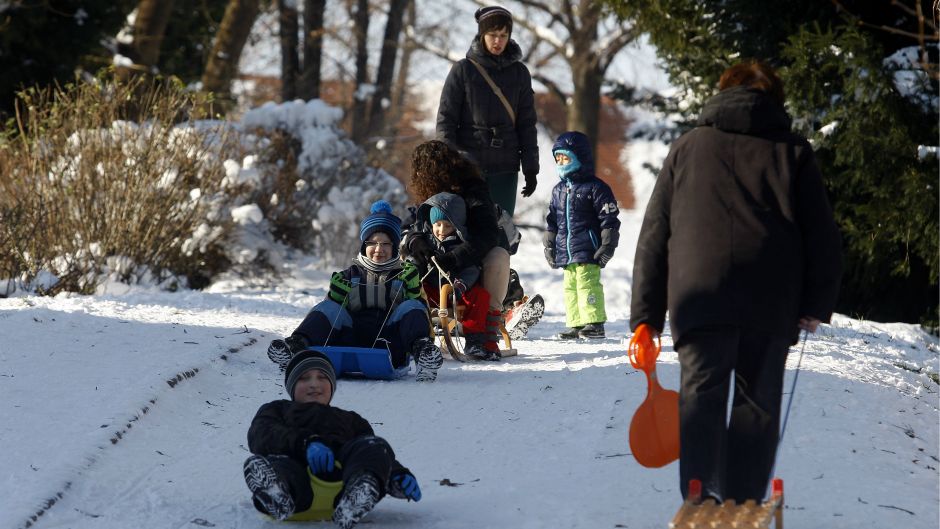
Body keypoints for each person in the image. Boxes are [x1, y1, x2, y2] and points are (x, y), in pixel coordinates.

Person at [629, 61, 843, 503]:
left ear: (722, 92)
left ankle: (699, 491)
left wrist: (645, 317)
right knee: (757, 403)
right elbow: (822, 234)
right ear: (775, 97)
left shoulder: (688, 147)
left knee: (701, 396)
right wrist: (815, 302)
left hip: (697, 296)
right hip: (770, 298)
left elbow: (655, 233)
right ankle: (742, 500)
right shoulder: (793, 151)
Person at [267, 200, 444, 382]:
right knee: (328, 307)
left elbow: (421, 315)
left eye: (386, 244)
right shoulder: (349, 275)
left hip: (390, 345)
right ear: (363, 245)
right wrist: (335, 297)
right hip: (348, 341)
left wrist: (413, 291)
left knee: (412, 305)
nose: (379, 249)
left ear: (394, 247)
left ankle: (424, 355)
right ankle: (295, 347)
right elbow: (328, 315)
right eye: (373, 243)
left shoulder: (405, 274)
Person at [243, 350, 422, 528]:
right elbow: (262, 433)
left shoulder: (351, 420)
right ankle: (277, 492)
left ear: (332, 385)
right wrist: (306, 442)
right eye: (305, 378)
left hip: (341, 487)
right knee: (277, 463)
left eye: (322, 377)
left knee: (375, 446)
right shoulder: (278, 409)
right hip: (297, 482)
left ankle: (362, 489)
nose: (314, 384)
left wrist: (396, 474)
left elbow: (371, 455)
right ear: (292, 386)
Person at [403, 140, 508, 360]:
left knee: (498, 257)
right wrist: (416, 242)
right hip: (434, 267)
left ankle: (486, 333)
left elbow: (487, 234)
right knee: (406, 265)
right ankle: (410, 330)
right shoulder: (429, 194)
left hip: (470, 259)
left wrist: (455, 258)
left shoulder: (474, 190)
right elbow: (413, 226)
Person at [436, 4, 539, 216]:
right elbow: (446, 121)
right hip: (468, 168)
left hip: (505, 167)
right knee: (468, 231)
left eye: (504, 35)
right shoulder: (463, 70)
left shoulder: (520, 73)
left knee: (501, 233)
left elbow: (527, 123)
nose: (498, 41)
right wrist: (452, 161)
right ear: (482, 34)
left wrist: (530, 167)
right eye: (492, 34)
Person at [543, 131, 621, 340]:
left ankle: (594, 323)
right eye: (557, 158)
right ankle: (576, 323)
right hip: (566, 250)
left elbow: (609, 218)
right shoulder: (558, 190)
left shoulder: (595, 188)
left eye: (565, 157)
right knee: (570, 286)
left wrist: (607, 244)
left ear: (580, 158)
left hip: (588, 248)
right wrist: (549, 244)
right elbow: (552, 220)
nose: (560, 162)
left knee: (587, 283)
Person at [409, 191, 493, 358]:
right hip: (432, 291)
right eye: (437, 224)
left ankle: (475, 340)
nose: (441, 230)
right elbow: (414, 262)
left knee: (480, 296)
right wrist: (418, 270)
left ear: (457, 226)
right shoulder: (425, 242)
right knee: (415, 297)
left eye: (447, 226)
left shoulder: (463, 244)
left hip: (458, 290)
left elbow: (472, 268)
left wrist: (462, 284)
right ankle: (420, 340)